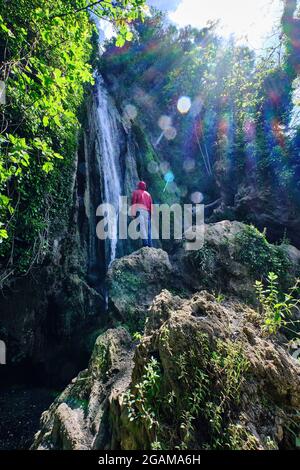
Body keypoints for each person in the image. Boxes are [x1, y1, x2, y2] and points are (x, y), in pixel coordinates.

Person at [131, 181, 153, 247]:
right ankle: (150, 244)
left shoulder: (136, 192)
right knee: (148, 229)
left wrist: (133, 214)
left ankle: (145, 244)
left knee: (142, 227)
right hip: (147, 212)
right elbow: (151, 206)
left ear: (138, 186)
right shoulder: (148, 194)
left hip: (140, 211)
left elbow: (134, 203)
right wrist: (151, 216)